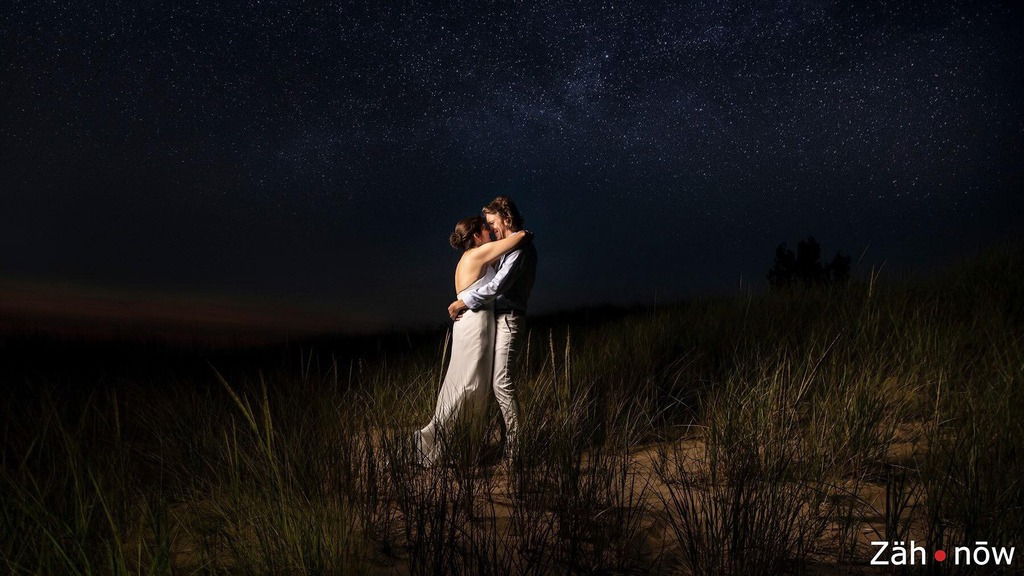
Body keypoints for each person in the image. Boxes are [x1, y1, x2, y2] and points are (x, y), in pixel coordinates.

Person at [416, 216, 532, 467]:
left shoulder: (470, 258)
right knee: (470, 384)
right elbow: (520, 237)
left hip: (470, 325)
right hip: (476, 326)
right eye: (486, 228)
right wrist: (519, 230)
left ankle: (459, 445)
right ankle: (450, 447)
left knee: (466, 382)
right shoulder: (476, 254)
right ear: (477, 236)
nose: (491, 231)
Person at [447, 197, 537, 461]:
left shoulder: (520, 250)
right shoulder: (506, 248)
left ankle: (516, 451)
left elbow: (497, 286)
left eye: (493, 222)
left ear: (506, 219)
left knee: (502, 382)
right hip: (495, 319)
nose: (491, 228)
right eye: (487, 225)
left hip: (509, 318)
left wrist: (464, 300)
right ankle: (503, 444)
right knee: (489, 384)